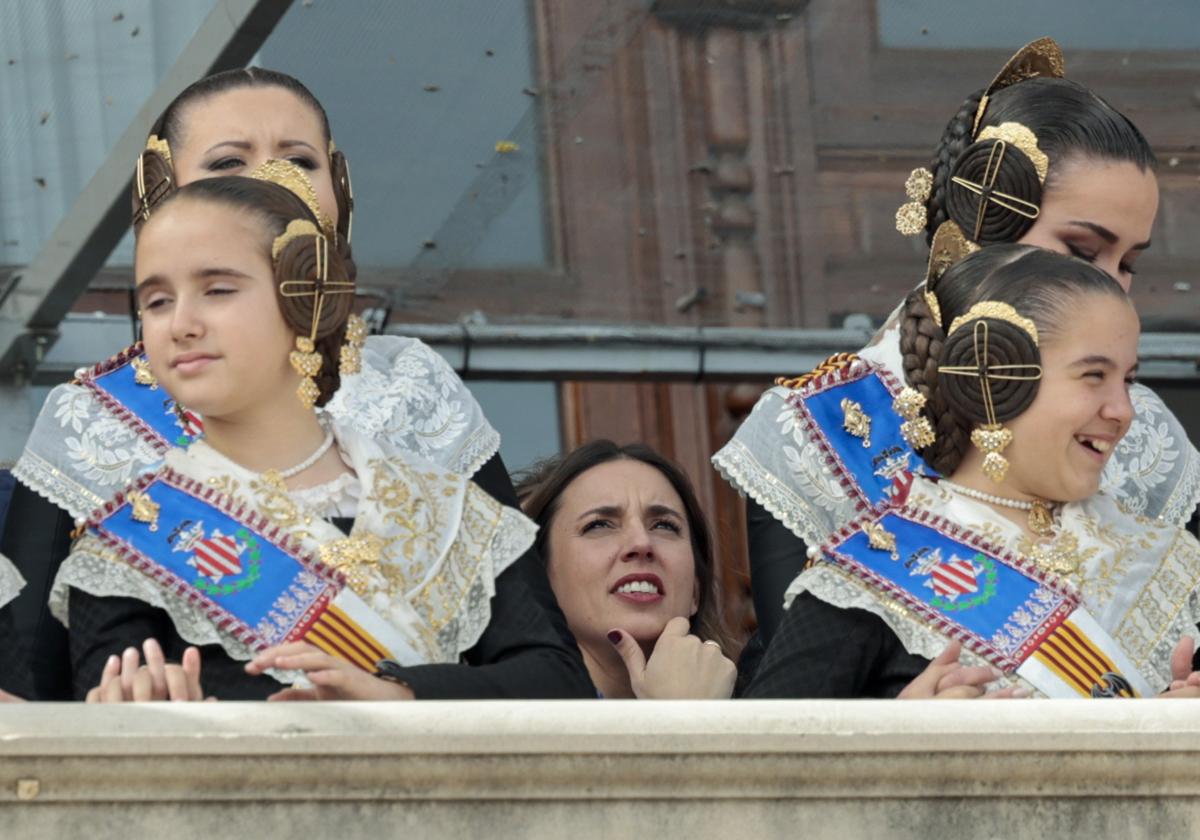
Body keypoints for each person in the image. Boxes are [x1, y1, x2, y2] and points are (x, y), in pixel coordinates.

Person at [2, 68, 532, 698]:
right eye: (229, 161)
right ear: (162, 191)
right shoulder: (95, 415)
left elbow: (535, 652)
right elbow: (27, 678)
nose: (271, 180)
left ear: (338, 189)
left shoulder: (411, 380)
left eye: (300, 160)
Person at [713, 38, 1199, 653]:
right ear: (980, 218)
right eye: (1081, 251)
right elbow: (804, 705)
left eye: (1128, 263)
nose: (1108, 286)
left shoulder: (1140, 428)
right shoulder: (810, 434)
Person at [51, 173, 592, 701]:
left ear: (306, 300)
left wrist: (401, 696)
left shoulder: (446, 512)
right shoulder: (135, 542)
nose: (180, 324)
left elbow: (558, 685)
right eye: (157, 301)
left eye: (216, 289)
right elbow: (108, 725)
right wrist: (145, 715)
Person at [744, 244, 1200, 698]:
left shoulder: (1171, 564)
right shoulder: (874, 576)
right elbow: (756, 764)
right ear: (991, 380)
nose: (1123, 411)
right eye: (1094, 376)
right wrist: (899, 741)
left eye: (1129, 379)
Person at [514, 441, 736, 699]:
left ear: (695, 590)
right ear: (539, 578)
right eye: (599, 525)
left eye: (664, 526)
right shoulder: (496, 727)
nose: (641, 543)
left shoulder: (771, 726)